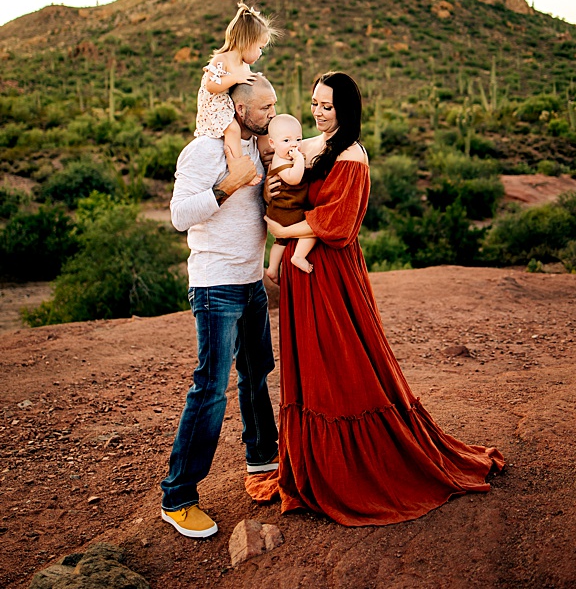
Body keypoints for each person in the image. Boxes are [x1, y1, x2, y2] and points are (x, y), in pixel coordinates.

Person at [262, 71, 503, 523]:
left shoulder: (352, 155)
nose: (317, 111)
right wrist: (272, 192)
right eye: (314, 102)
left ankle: (351, 469)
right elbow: (281, 183)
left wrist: (280, 230)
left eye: (327, 106)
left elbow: (338, 222)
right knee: (310, 362)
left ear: (345, 110)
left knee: (342, 359)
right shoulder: (311, 146)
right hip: (303, 272)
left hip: (329, 272)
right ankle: (310, 467)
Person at [159, 74, 278, 542]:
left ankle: (263, 459)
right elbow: (178, 215)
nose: (271, 113)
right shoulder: (204, 151)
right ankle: (179, 497)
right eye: (265, 107)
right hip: (215, 286)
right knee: (210, 388)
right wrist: (229, 185)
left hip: (250, 283)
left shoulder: (255, 146)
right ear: (240, 108)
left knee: (257, 370)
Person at [196, 0, 275, 180]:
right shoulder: (222, 59)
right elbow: (211, 85)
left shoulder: (243, 66)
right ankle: (238, 169)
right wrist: (235, 78)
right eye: (260, 48)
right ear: (247, 41)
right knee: (232, 129)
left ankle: (268, 161)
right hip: (215, 106)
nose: (260, 53)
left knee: (262, 128)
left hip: (232, 106)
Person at [261, 112, 324, 279]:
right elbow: (294, 179)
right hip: (288, 210)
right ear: (272, 143)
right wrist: (300, 161)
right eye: (287, 140)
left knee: (280, 241)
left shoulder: (283, 156)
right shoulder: (281, 161)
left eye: (298, 139)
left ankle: (273, 269)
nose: (294, 145)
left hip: (281, 211)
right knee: (312, 228)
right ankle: (298, 256)